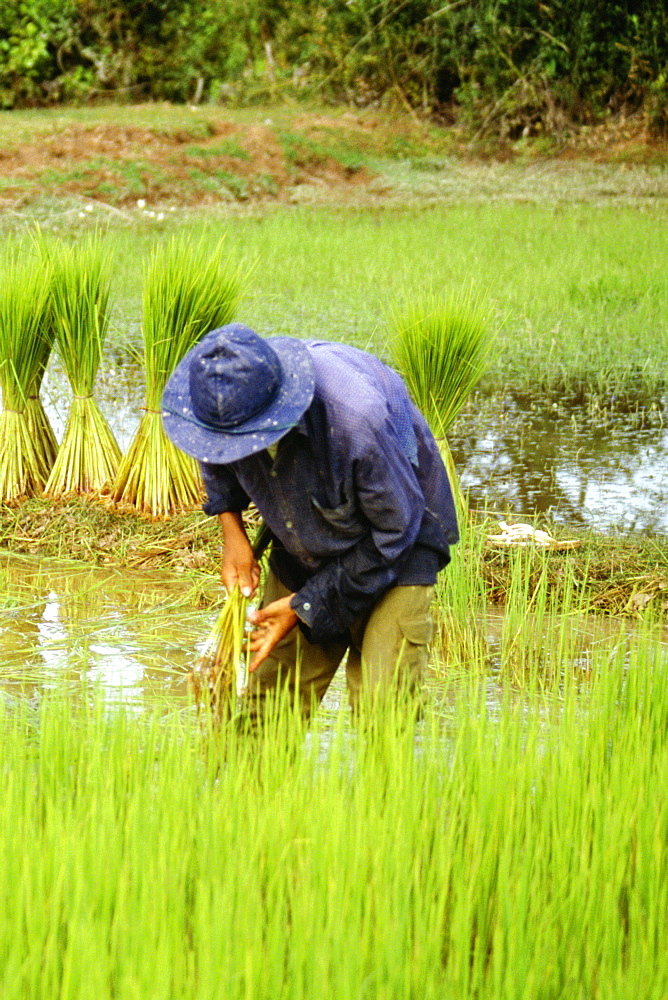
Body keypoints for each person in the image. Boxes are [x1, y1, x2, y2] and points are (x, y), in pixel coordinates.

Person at [162, 323, 458, 719]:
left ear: (275, 411)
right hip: (304, 535)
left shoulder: (355, 420)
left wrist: (305, 606)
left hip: (398, 542)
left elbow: (394, 530)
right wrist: (231, 531)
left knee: (382, 707)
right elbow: (215, 456)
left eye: (238, 439)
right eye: (219, 437)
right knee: (267, 707)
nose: (223, 447)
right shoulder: (223, 408)